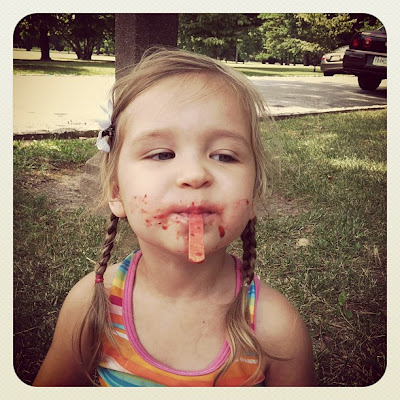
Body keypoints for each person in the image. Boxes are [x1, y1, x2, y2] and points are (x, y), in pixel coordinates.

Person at [33, 48, 316, 387]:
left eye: (224, 156)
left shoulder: (275, 328)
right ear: (116, 192)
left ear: (254, 194)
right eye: (162, 154)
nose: (194, 174)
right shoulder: (93, 304)